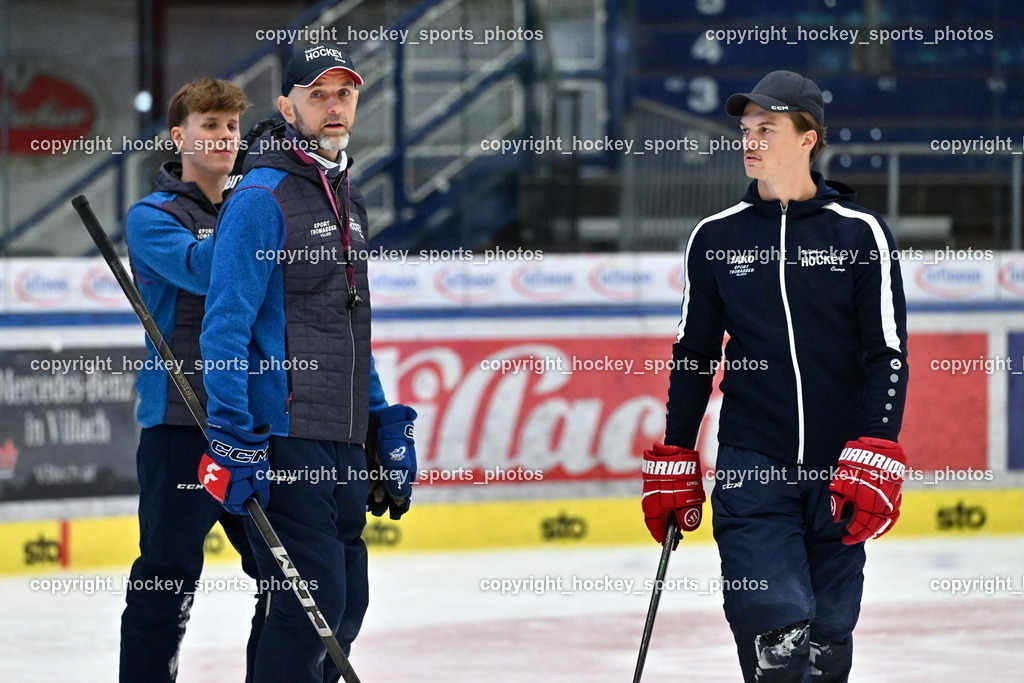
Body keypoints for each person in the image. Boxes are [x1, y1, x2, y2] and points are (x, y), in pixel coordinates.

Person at [641, 70, 909, 682]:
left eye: (768, 128)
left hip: (840, 465)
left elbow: (887, 352)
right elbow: (695, 352)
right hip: (751, 459)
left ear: (808, 137)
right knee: (774, 623)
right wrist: (677, 453)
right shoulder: (715, 237)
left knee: (829, 634)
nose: (751, 141)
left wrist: (877, 444)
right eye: (746, 130)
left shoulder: (859, 233)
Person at [196, 44, 417, 682]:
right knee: (310, 600)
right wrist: (234, 431)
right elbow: (226, 324)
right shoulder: (262, 196)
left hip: (342, 434)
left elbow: (350, 325)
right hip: (285, 433)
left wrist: (380, 420)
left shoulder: (349, 196)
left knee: (347, 601)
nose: (333, 106)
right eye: (317, 94)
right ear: (287, 105)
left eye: (344, 93)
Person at [120, 78, 266, 682]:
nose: (225, 137)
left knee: (289, 575)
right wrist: (258, 222)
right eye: (209, 125)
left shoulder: (254, 203)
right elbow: (212, 273)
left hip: (249, 421)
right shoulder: (152, 217)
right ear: (179, 136)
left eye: (231, 127)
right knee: (166, 578)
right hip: (180, 425)